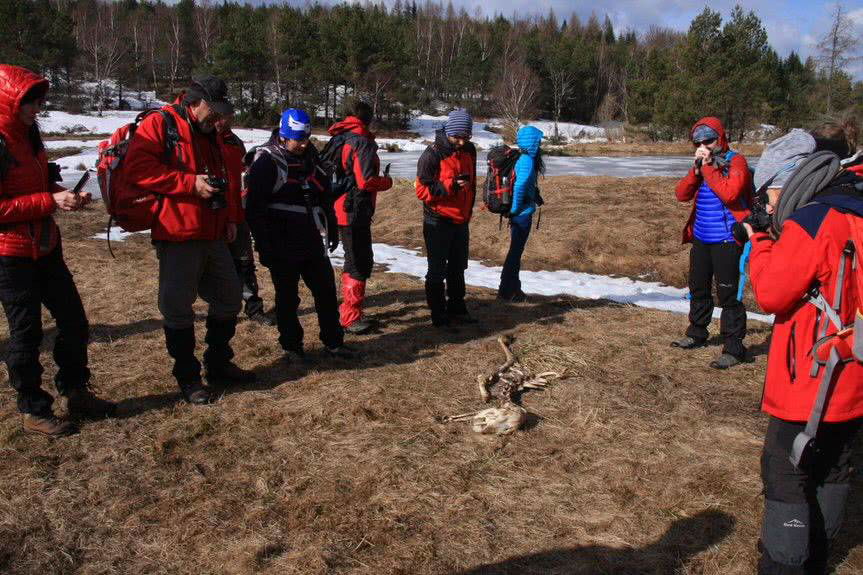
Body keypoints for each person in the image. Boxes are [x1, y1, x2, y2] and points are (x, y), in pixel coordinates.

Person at [744, 132, 863, 574]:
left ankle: (786, 562)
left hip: (811, 380)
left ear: (790, 177)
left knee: (786, 469)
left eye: (769, 191)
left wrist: (760, 242)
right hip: (854, 373)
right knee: (835, 464)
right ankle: (817, 556)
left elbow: (773, 292)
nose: (769, 204)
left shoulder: (813, 219)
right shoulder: (855, 204)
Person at [124, 76, 255, 405]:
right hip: (177, 232)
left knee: (229, 298)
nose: (217, 118)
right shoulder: (160, 124)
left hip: (212, 231)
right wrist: (188, 184)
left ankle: (218, 363)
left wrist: (226, 218)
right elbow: (137, 170)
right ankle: (188, 377)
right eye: (213, 110)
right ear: (193, 102)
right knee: (178, 309)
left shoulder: (210, 131)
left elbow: (219, 176)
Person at [0, 65, 115, 436]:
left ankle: (76, 390)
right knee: (26, 333)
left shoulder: (29, 134)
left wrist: (63, 194)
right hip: (10, 253)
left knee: (74, 322)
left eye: (39, 101)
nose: (37, 108)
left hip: (45, 246)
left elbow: (36, 181)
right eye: (30, 102)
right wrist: (49, 200)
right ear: (8, 101)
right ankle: (34, 409)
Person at [245, 108, 353, 361]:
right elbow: (254, 208)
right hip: (280, 240)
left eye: (306, 138)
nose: (304, 144)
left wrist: (333, 227)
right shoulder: (267, 162)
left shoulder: (310, 157)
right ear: (284, 136)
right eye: (298, 139)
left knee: (326, 292)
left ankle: (334, 342)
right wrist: (263, 245)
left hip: (311, 237)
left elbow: (323, 196)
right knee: (287, 298)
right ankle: (292, 347)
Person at [671, 116, 752, 369]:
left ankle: (734, 348)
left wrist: (707, 168)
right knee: (699, 288)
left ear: (721, 138)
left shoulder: (736, 161)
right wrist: (696, 171)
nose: (705, 145)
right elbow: (681, 194)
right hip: (702, 238)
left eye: (710, 140)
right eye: (699, 141)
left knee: (728, 294)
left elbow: (730, 193)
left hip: (727, 239)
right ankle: (696, 333)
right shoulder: (703, 164)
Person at [327, 99, 393, 334]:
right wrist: (387, 182)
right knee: (358, 262)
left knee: (354, 259)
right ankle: (350, 317)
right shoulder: (361, 141)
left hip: (339, 207)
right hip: (353, 210)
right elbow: (366, 181)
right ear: (368, 119)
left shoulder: (339, 136)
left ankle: (350, 311)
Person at [415, 109, 478, 328]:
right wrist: (449, 187)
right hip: (437, 220)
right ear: (448, 132)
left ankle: (457, 308)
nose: (461, 142)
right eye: (457, 137)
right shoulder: (432, 154)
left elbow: (473, 184)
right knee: (437, 269)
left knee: (458, 267)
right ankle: (438, 314)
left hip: (461, 220)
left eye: (466, 137)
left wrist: (469, 208)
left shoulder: (470, 150)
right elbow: (421, 190)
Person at [217, 115, 273, 326]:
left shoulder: (234, 141)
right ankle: (220, 311)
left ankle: (253, 308)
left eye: (226, 116)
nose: (223, 120)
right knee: (212, 266)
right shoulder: (198, 141)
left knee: (245, 263)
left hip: (238, 213)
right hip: (211, 216)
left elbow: (244, 174)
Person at [498, 125, 544, 302]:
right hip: (522, 214)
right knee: (515, 253)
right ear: (532, 142)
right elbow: (519, 187)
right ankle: (506, 291)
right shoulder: (526, 161)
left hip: (521, 213)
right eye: (538, 141)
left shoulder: (524, 158)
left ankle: (513, 289)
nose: (540, 144)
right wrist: (515, 210)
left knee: (516, 252)